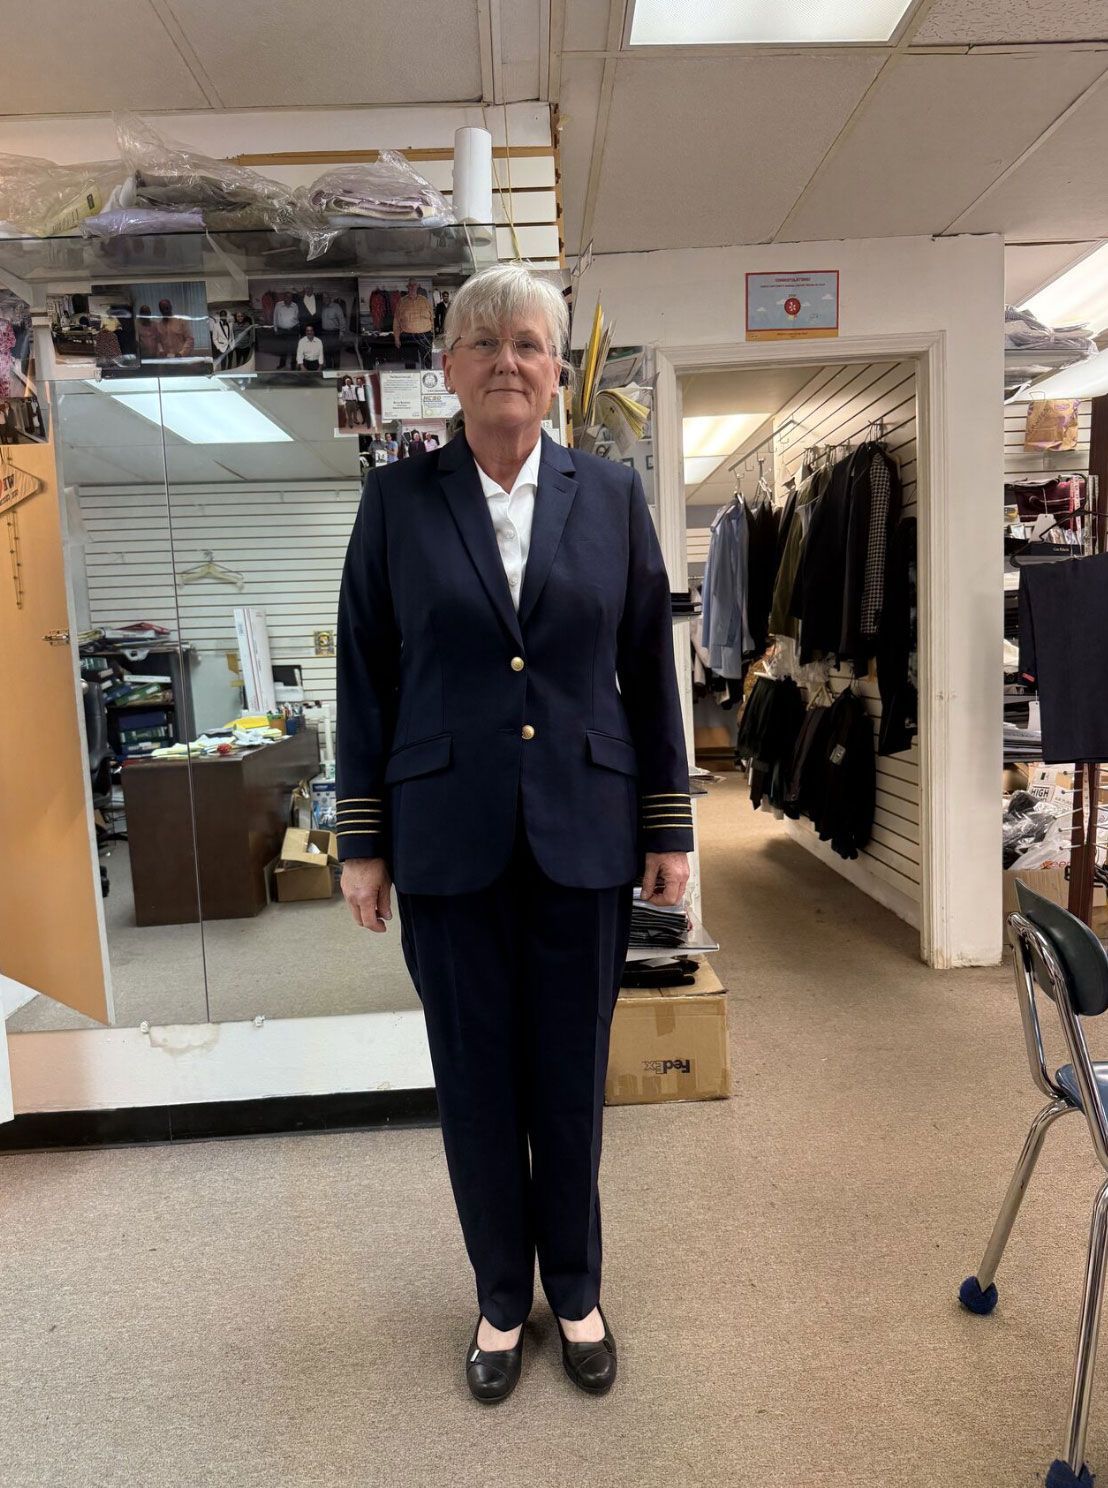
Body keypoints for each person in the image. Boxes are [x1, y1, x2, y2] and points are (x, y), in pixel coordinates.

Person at [336, 264, 692, 1404]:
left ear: (554, 372)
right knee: (475, 1082)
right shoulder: (398, 502)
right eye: (483, 342)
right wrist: (361, 837)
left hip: (584, 832)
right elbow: (364, 673)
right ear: (447, 370)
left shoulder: (614, 497)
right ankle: (501, 1298)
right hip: (445, 840)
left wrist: (668, 821)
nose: (507, 360)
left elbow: (648, 670)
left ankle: (575, 1289)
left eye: (528, 343)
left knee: (570, 1080)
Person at [392, 279, 434, 368]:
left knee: (427, 359)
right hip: (407, 335)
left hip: (425, 335)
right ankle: (411, 378)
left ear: (417, 287)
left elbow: (432, 319)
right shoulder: (401, 302)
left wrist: (432, 335)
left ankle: (427, 376)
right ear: (407, 287)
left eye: (414, 285)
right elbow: (396, 321)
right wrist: (396, 338)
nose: (412, 287)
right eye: (410, 286)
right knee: (409, 360)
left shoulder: (425, 300)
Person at [273, 292, 301, 368]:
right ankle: (282, 364)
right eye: (287, 297)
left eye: (290, 297)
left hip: (293, 330)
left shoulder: (295, 305)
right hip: (282, 330)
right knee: (282, 348)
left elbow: (298, 317)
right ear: (284, 297)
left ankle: (293, 365)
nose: (288, 299)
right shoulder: (278, 305)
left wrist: (297, 328)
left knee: (294, 349)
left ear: (292, 298)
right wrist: (275, 329)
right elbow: (275, 316)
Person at [320, 294, 347, 370]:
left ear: (330, 298)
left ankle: (336, 369)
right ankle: (328, 368)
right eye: (323, 298)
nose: (325, 299)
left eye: (326, 297)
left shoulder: (336, 307)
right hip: (325, 333)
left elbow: (342, 320)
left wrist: (341, 333)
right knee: (326, 352)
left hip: (334, 333)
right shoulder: (322, 307)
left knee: (335, 353)